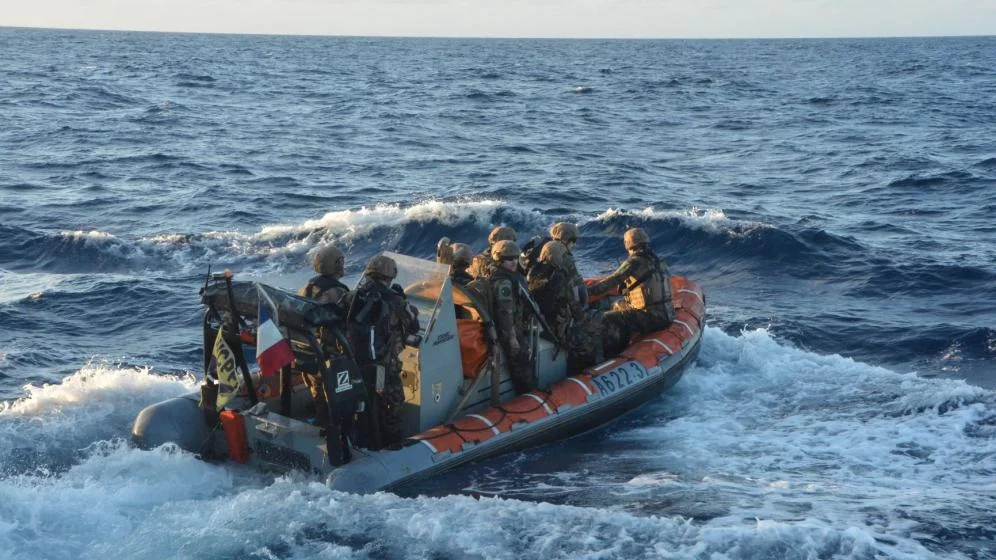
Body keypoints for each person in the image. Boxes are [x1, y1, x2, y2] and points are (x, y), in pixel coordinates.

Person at [344, 255, 420, 449]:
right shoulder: (393, 300)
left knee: (365, 400)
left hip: (356, 362)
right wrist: (402, 300)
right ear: (390, 276)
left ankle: (363, 436)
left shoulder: (353, 296)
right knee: (391, 401)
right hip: (383, 365)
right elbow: (413, 325)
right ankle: (392, 444)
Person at [586, 228, 675, 357]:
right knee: (618, 305)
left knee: (606, 318)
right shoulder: (658, 260)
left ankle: (612, 355)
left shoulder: (634, 261)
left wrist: (587, 292)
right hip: (667, 314)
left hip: (652, 317)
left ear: (628, 244)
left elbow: (611, 282)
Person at [297, 244, 351, 433]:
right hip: (330, 355)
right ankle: (340, 430)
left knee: (317, 391)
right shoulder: (338, 292)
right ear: (336, 265)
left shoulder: (307, 287)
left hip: (308, 351)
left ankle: (322, 422)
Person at [527, 241, 603, 370]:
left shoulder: (533, 272)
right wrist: (584, 321)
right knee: (590, 339)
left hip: (541, 324)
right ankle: (586, 369)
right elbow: (573, 305)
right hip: (558, 329)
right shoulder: (559, 276)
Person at [480, 240, 537, 394]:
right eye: (509, 259)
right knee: (522, 361)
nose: (513, 262)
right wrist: (511, 338)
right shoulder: (504, 282)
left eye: (515, 258)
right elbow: (505, 312)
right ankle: (526, 396)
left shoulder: (497, 273)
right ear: (499, 260)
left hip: (511, 325)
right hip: (509, 329)